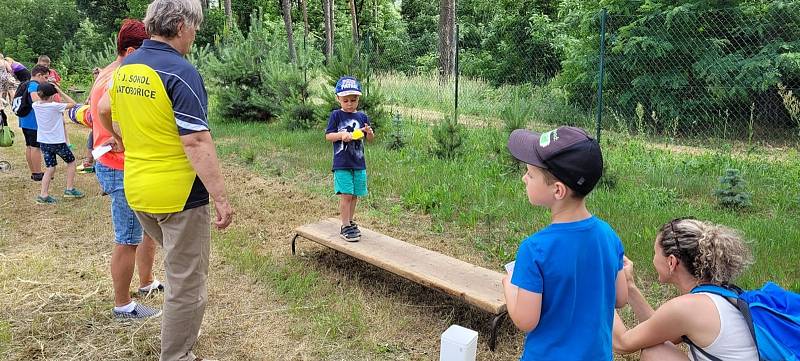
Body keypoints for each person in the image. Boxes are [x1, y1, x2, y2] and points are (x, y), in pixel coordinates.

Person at [98, 1, 233, 359]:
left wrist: (119, 137)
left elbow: (102, 109)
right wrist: (220, 197)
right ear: (178, 24)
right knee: (187, 283)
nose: (195, 34)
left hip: (138, 189)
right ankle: (177, 355)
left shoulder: (127, 67)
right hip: (179, 195)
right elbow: (196, 140)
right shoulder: (180, 71)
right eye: (194, 27)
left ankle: (180, 333)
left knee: (178, 268)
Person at [502, 126, 627, 360]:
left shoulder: (534, 249)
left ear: (558, 190)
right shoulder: (609, 236)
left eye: (530, 174)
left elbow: (526, 320)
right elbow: (620, 298)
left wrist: (508, 285)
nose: (524, 178)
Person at [90, 19, 165, 320]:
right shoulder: (118, 79)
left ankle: (145, 282)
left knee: (145, 230)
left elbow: (90, 116)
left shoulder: (109, 73)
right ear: (131, 50)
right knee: (128, 238)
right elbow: (110, 118)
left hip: (123, 164)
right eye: (145, 50)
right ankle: (123, 304)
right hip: (119, 167)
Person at [612, 218, 757, 361]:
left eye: (655, 253)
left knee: (653, 353)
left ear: (671, 262)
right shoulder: (718, 295)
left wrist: (597, 288)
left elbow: (622, 343)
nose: (653, 259)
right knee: (656, 350)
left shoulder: (688, 307)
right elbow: (661, 329)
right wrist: (629, 286)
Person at [324, 76, 375, 242]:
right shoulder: (336, 115)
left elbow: (370, 139)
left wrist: (369, 133)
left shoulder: (362, 117)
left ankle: (350, 221)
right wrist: (342, 135)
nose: (350, 103)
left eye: (353, 100)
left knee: (354, 195)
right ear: (338, 98)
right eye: (345, 100)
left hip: (358, 164)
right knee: (346, 194)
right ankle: (344, 225)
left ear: (358, 99)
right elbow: (328, 136)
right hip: (342, 164)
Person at [31, 82, 84, 204]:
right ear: (52, 96)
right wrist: (60, 91)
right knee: (71, 162)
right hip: (57, 142)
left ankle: (43, 195)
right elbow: (74, 104)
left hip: (44, 142)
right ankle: (69, 189)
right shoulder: (55, 106)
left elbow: (40, 99)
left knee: (50, 168)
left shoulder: (36, 105)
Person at [19, 65, 50, 181]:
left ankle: (33, 171)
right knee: (35, 147)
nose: (46, 80)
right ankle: (37, 173)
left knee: (29, 146)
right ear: (39, 75)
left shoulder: (25, 83)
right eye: (45, 77)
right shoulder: (34, 85)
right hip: (33, 121)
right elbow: (35, 99)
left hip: (24, 120)